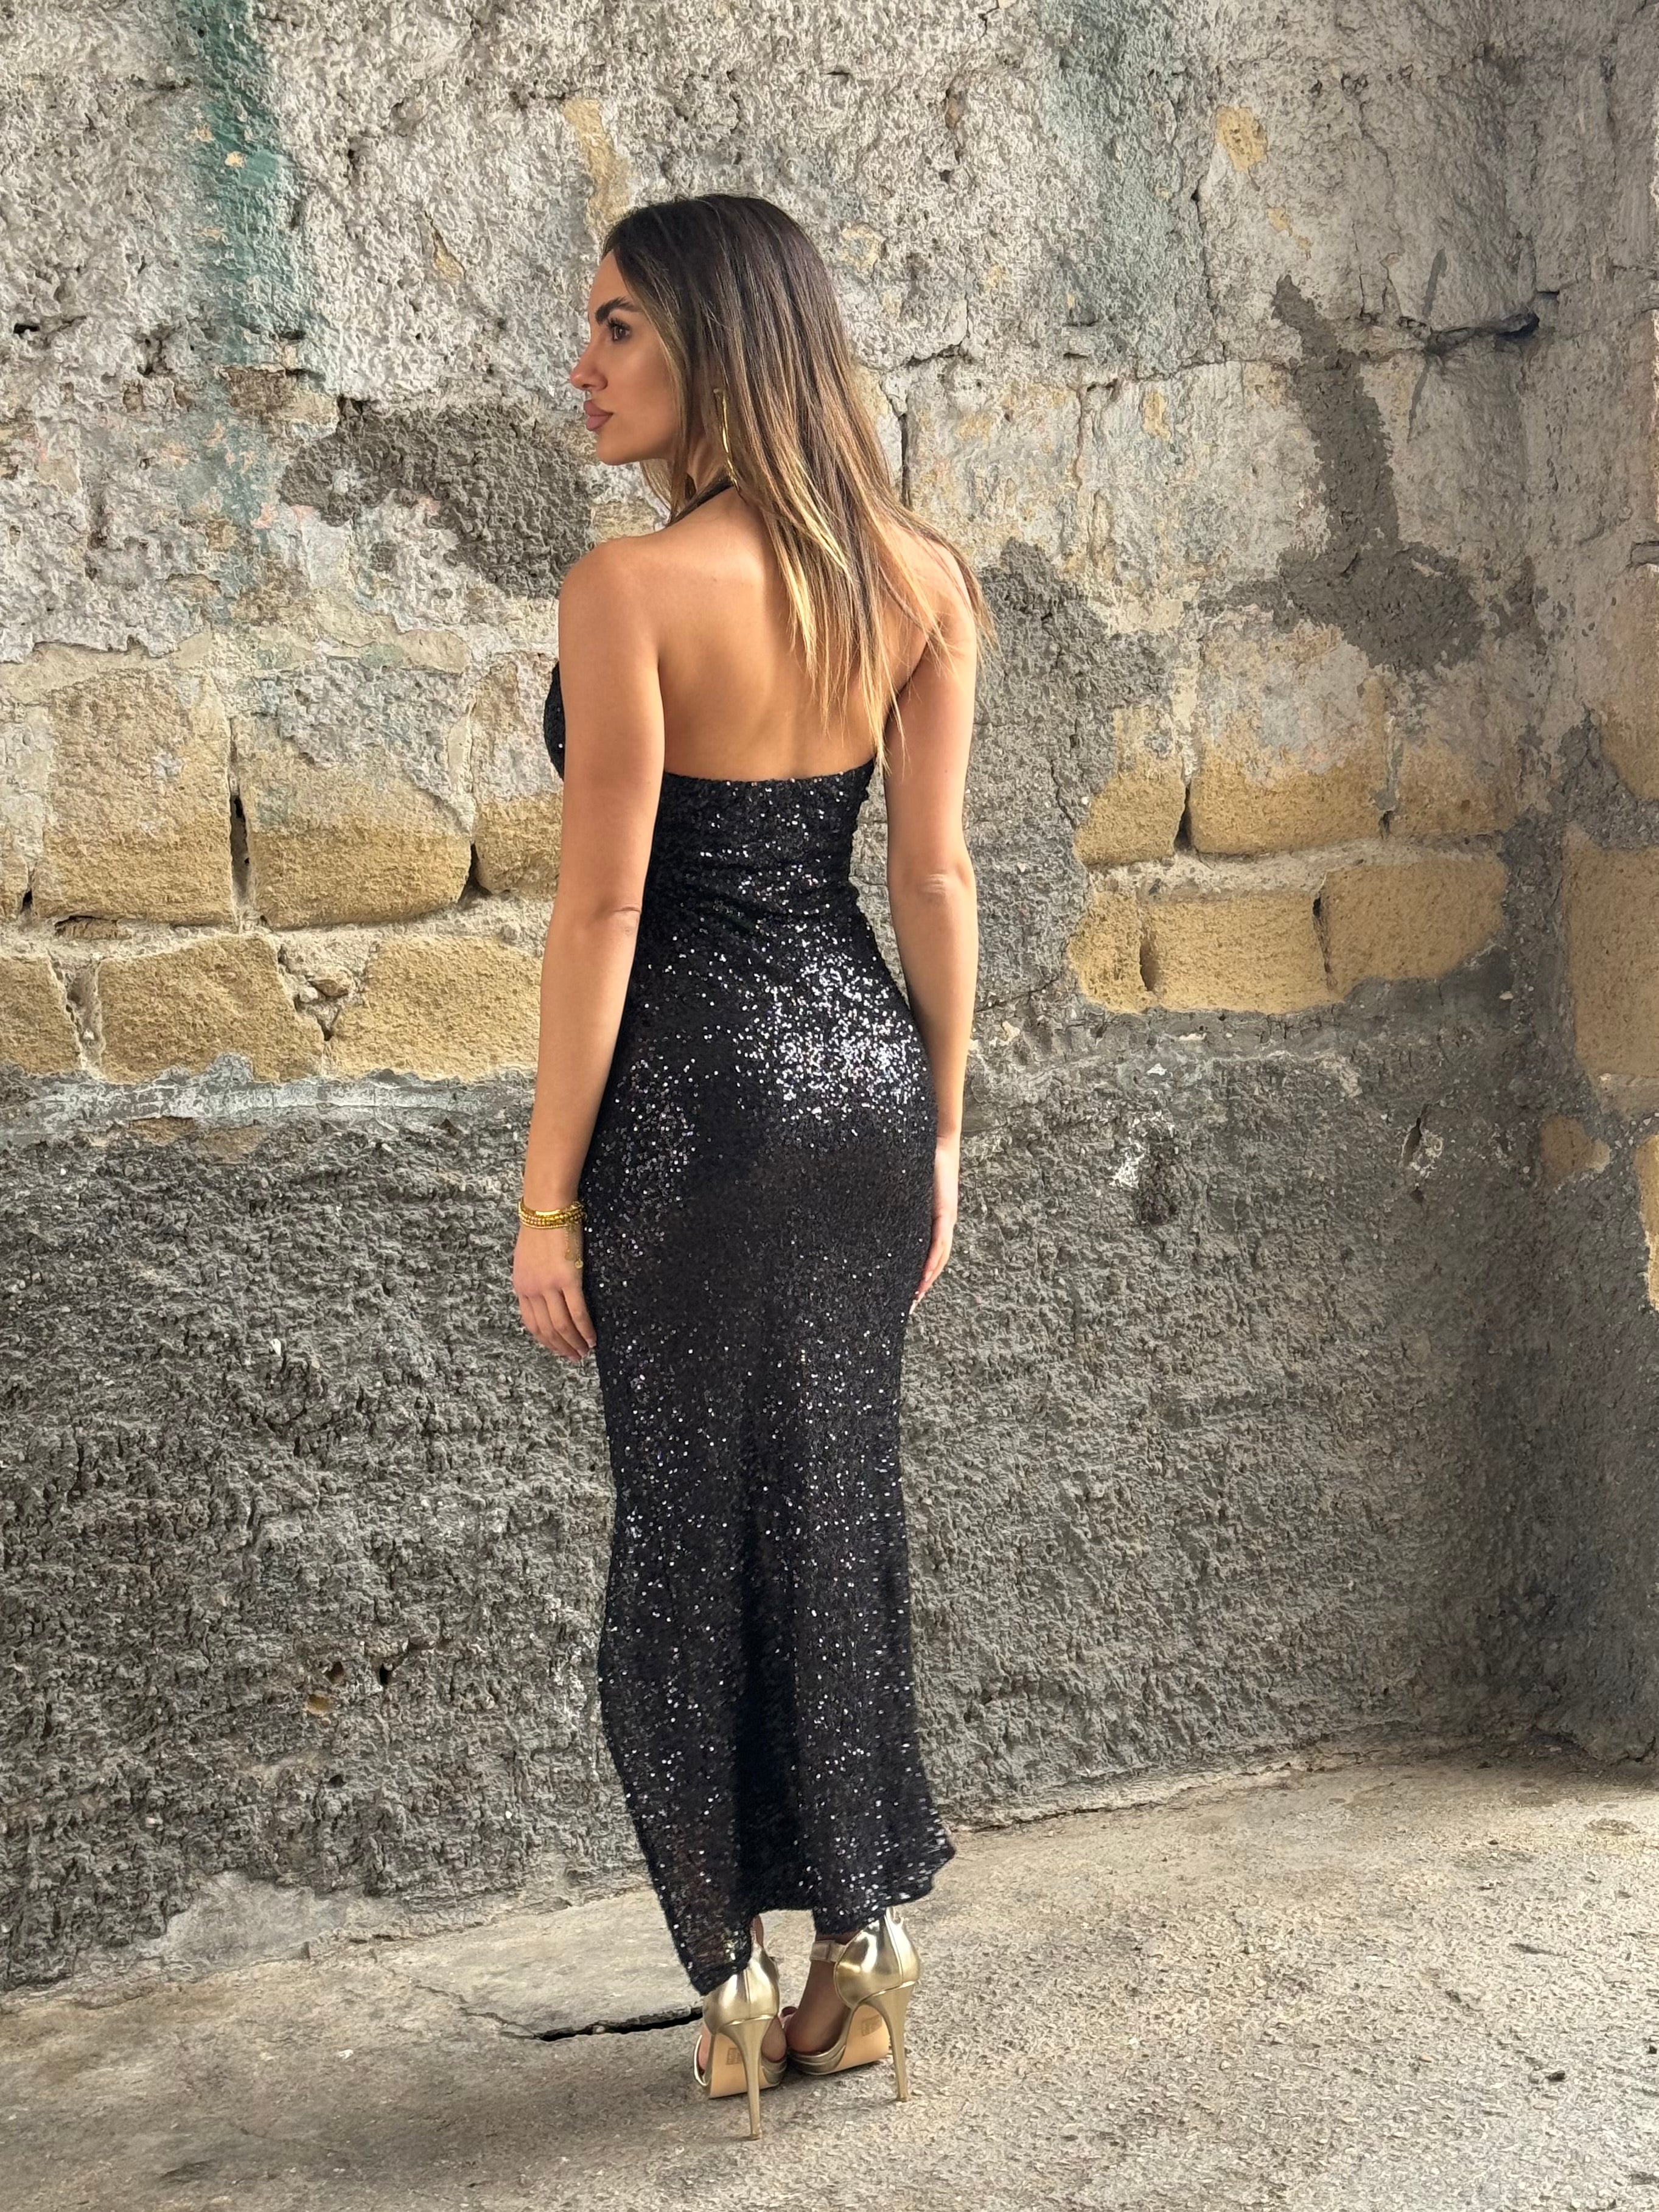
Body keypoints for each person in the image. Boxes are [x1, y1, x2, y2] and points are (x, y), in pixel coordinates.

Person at [512, 192, 990, 2141]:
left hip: (694, 1105)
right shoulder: (921, 578)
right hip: (867, 1081)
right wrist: (940, 1128)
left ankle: (723, 1971)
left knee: (685, 1538)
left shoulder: (628, 591)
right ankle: (859, 1950)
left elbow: (605, 907)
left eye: (619, 325)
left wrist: (548, 1193)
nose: (584, 364)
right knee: (834, 1517)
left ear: (716, 342)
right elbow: (934, 876)